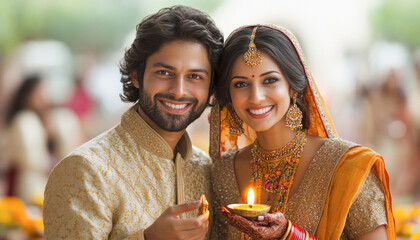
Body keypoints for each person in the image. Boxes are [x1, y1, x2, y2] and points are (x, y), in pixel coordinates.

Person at [43, 5, 224, 240]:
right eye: (164, 73)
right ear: (137, 76)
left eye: (195, 77)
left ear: (211, 89)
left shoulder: (205, 168)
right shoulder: (86, 170)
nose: (179, 91)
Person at [209, 25, 395, 239]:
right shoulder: (223, 172)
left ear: (292, 87)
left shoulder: (347, 167)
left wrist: (289, 235)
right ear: (229, 94)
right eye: (241, 84)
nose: (256, 97)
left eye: (270, 80)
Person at [3, 75, 82, 205]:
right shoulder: (23, 123)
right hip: (30, 185)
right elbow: (31, 159)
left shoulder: (53, 120)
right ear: (27, 96)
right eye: (37, 94)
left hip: (54, 182)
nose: (42, 98)